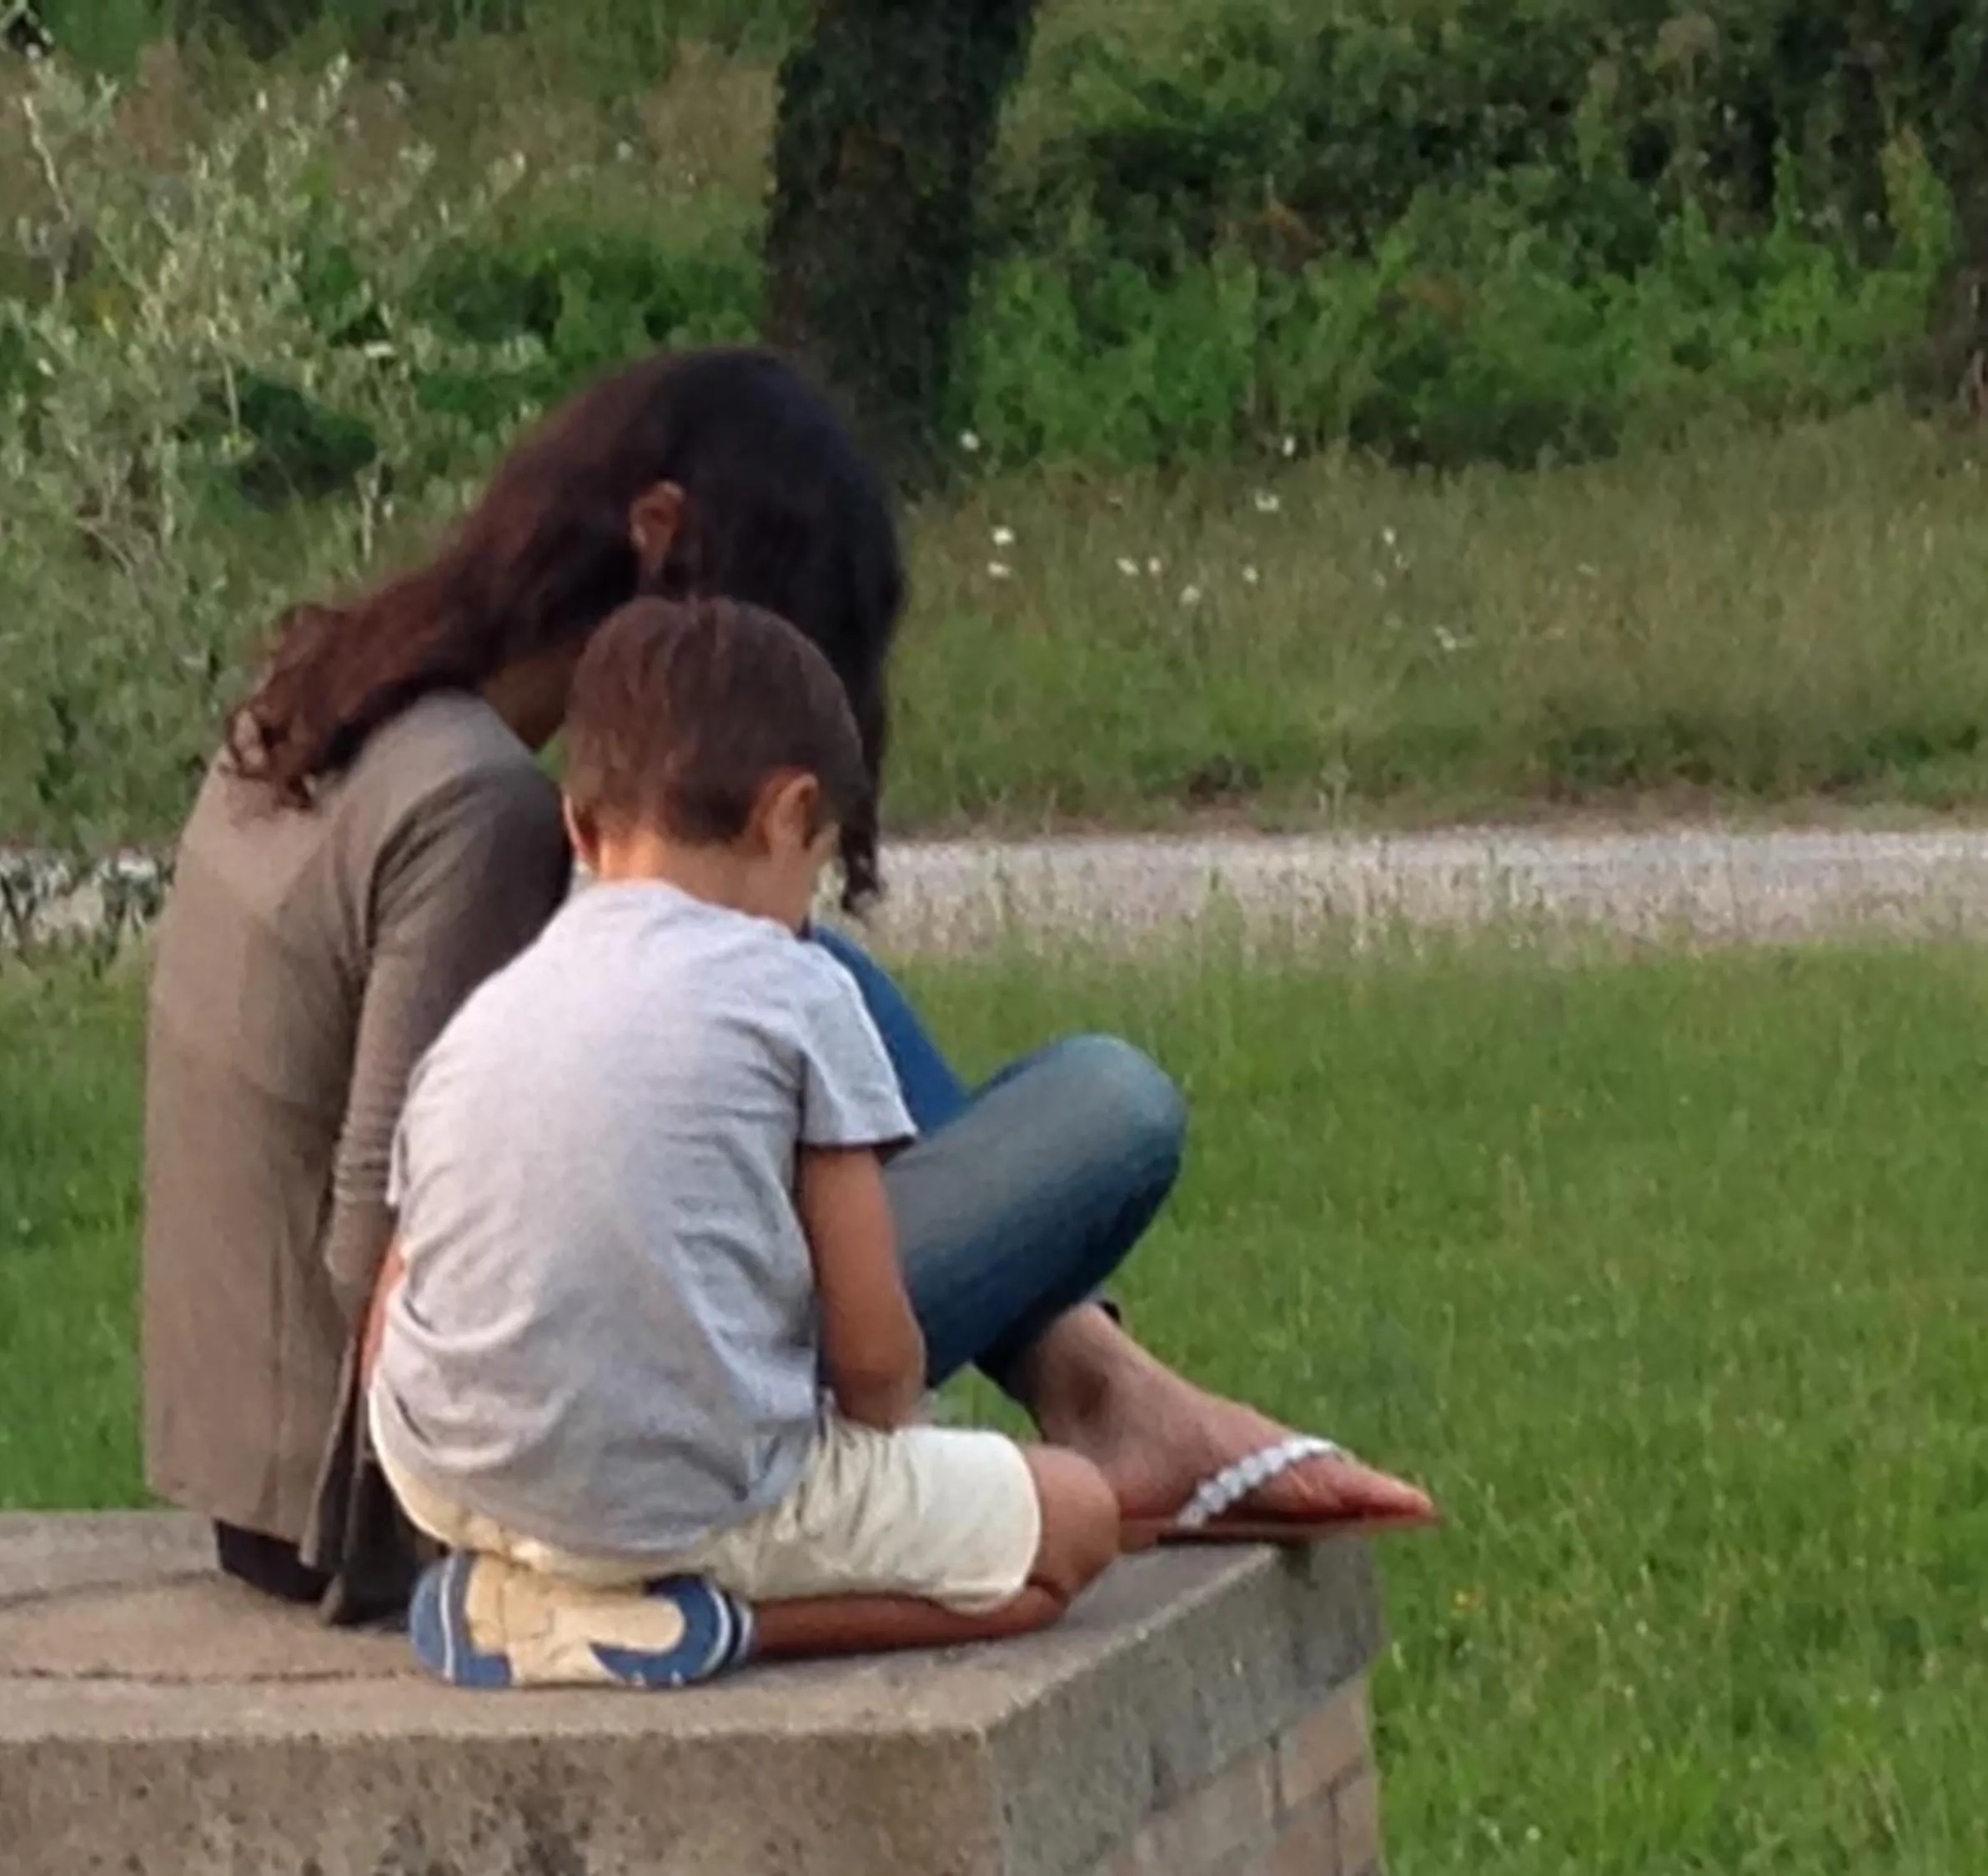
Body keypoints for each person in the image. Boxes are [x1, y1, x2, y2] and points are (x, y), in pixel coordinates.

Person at [138, 346, 1432, 1628]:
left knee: (813, 975)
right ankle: (1096, 1397)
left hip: (272, 1478)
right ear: (656, 538)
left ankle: (1103, 1387)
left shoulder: (333, 705)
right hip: (418, 1488)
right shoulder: (479, 808)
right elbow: (376, 1246)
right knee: (1112, 1106)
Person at [367, 597, 1124, 1688]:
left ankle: (525, 1590)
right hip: (686, 1503)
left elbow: (396, 1292)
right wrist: (893, 1446)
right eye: (818, 861)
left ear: (580, 827)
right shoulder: (800, 990)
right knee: (1076, 1523)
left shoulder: (490, 1010)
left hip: (445, 1475)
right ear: (790, 813)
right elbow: (874, 1362)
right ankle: (700, 1625)